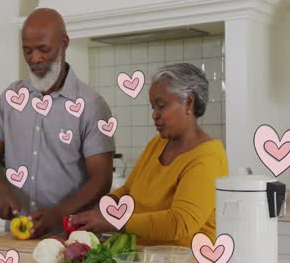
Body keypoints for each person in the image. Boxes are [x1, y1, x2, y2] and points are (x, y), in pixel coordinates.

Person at [0, 8, 115, 238]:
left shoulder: (91, 105)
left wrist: (59, 214)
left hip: (71, 238)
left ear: (64, 43)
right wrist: (0, 190)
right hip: (17, 236)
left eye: (44, 49)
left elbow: (102, 179)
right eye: (27, 50)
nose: (35, 58)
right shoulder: (10, 99)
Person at [70, 63, 229, 247]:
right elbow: (128, 190)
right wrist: (103, 208)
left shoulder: (208, 158)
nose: (154, 115)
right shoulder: (157, 144)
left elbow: (179, 222)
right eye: (153, 107)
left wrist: (116, 222)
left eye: (161, 106)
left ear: (189, 103)